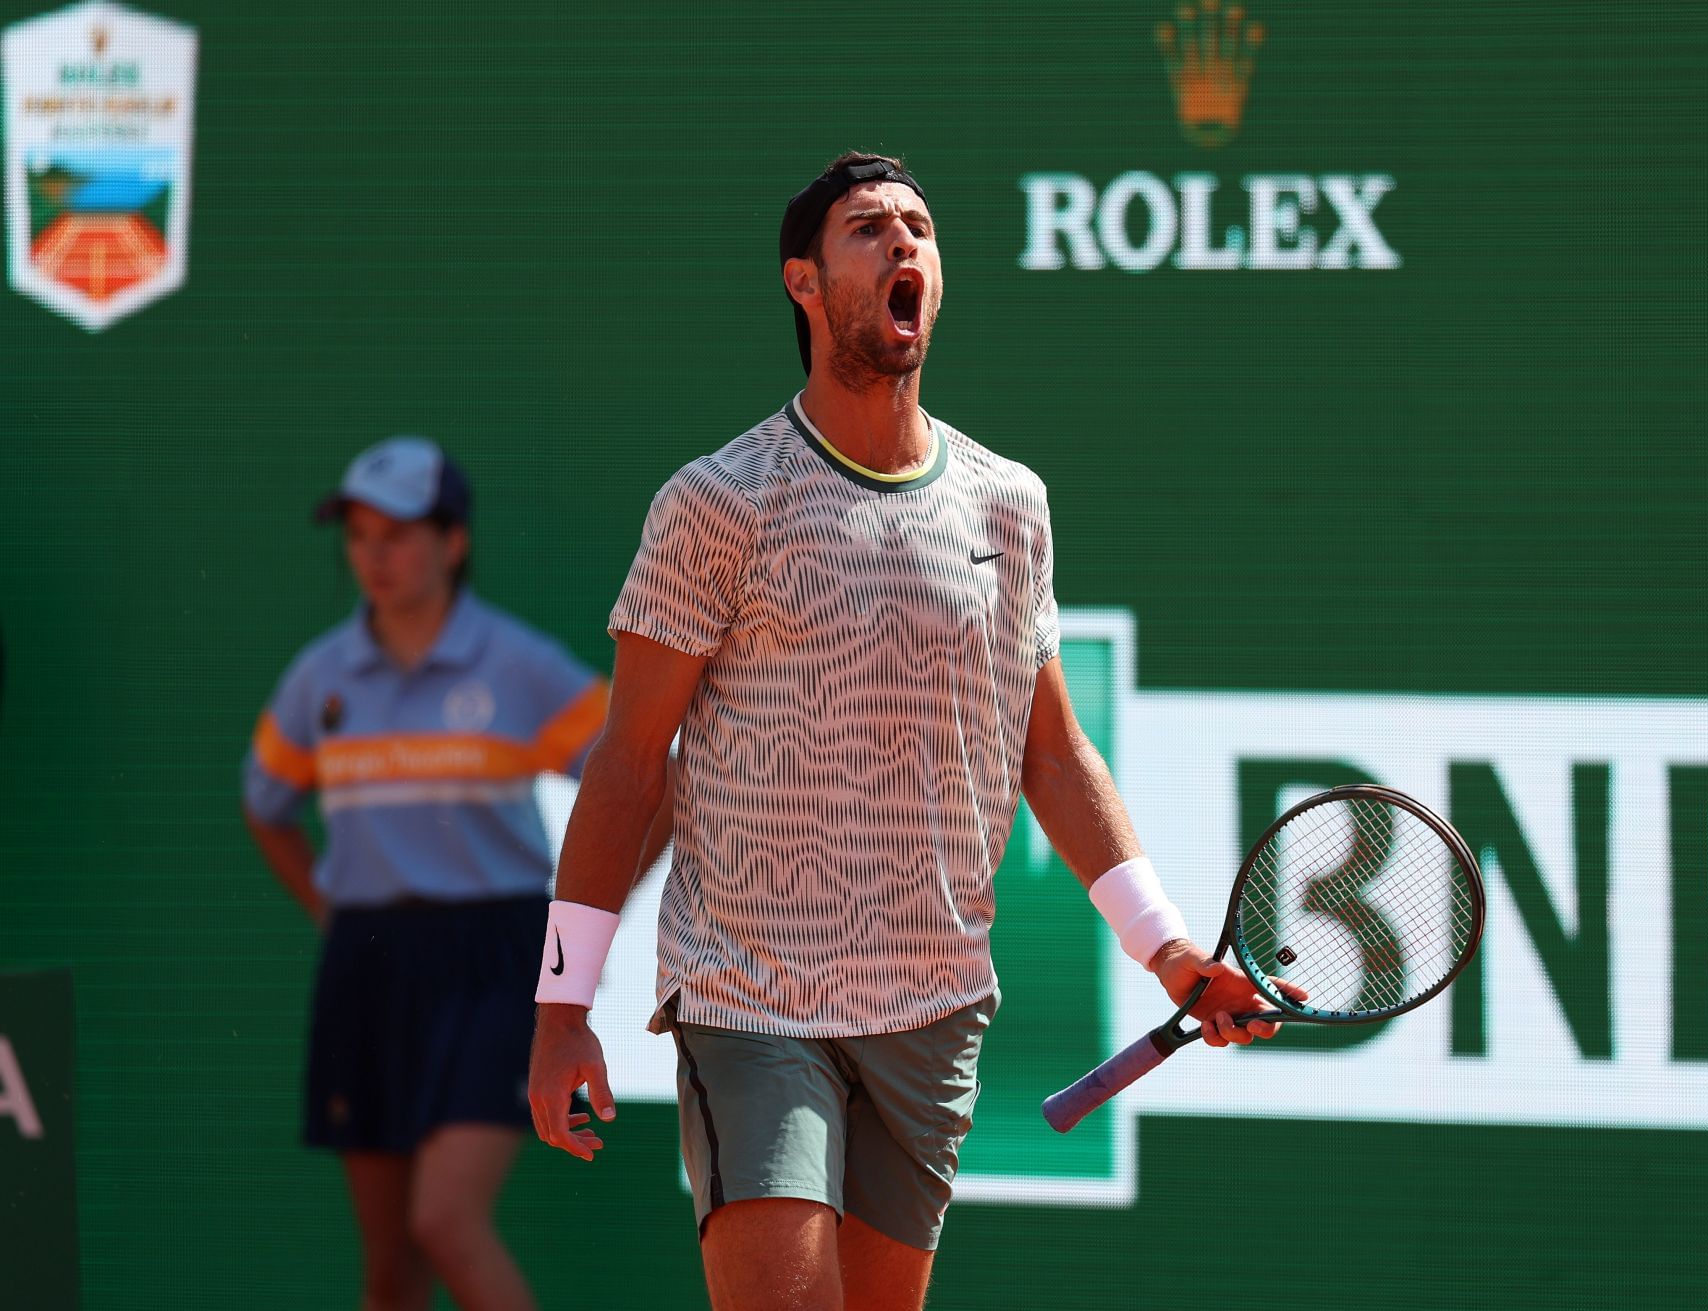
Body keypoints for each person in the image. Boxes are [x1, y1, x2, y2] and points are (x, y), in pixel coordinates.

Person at [526, 153, 1301, 1311]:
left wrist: (1174, 956)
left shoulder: (1009, 504)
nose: (902, 246)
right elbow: (631, 764)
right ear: (803, 281)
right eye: (866, 229)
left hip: (931, 1012)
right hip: (752, 999)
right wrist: (560, 1011)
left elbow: (1052, 755)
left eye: (920, 230)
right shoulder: (719, 502)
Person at [241, 438, 658, 1311]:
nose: (375, 555)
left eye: (398, 532)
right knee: (390, 1261)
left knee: (445, 1222)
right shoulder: (321, 677)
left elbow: (649, 786)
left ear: (453, 541)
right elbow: (267, 804)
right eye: (359, 535)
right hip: (365, 962)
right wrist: (329, 908)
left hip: (492, 960)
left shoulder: (519, 664)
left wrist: (589, 919)